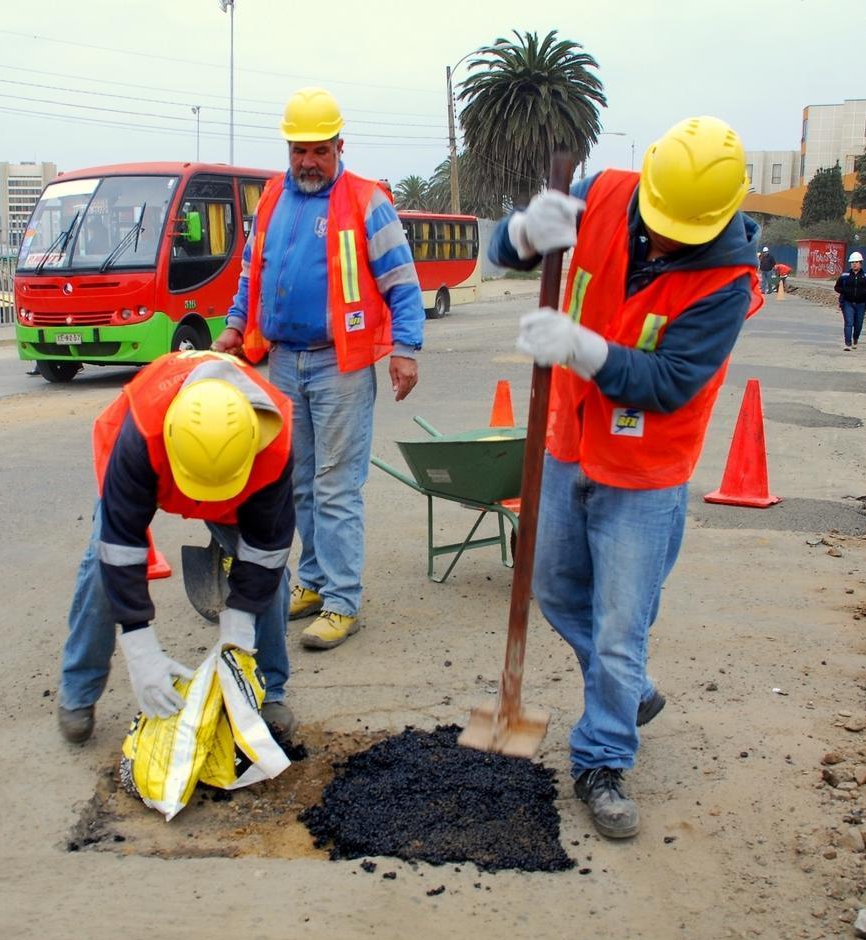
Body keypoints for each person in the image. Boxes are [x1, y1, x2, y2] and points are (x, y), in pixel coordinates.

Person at [489, 116, 764, 840]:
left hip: (644, 473)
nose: (667, 238)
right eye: (662, 221)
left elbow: (671, 381)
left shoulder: (728, 282)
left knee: (620, 627)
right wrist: (519, 235)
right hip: (568, 441)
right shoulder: (607, 195)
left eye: (685, 232)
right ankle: (631, 689)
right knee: (551, 586)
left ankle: (603, 760)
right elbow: (511, 253)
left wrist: (579, 347)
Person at [213, 87, 424, 651]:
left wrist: (405, 347)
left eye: (319, 151)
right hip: (281, 359)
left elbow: (401, 281)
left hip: (341, 364)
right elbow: (249, 273)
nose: (308, 161)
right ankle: (312, 582)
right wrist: (236, 324)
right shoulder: (273, 197)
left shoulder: (366, 201)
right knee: (296, 483)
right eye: (298, 150)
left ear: (339, 146)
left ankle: (342, 601)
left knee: (336, 487)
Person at [57, 349, 297, 746]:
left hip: (237, 480)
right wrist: (138, 643)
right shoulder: (139, 435)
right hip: (155, 466)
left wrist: (240, 622)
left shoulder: (274, 442)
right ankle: (78, 693)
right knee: (103, 570)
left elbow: (267, 550)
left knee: (270, 578)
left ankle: (268, 691)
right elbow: (121, 549)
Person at [834, 251, 866, 351]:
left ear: (861, 263)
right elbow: (837, 287)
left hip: (861, 303)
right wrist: (845, 291)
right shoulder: (845, 275)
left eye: (856, 262)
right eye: (852, 262)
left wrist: (865, 293)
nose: (854, 264)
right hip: (848, 303)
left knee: (858, 324)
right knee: (849, 323)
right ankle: (847, 343)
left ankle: (855, 339)